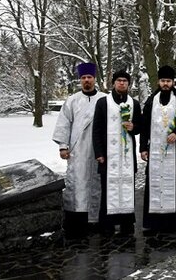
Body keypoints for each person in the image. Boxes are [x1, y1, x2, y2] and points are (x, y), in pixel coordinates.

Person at [52, 62, 106, 238]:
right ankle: (76, 219)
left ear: (94, 79)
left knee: (97, 184)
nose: (87, 81)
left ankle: (96, 219)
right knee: (77, 184)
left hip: (99, 150)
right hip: (78, 151)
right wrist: (63, 147)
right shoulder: (72, 100)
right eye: (83, 78)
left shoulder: (104, 99)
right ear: (80, 80)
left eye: (89, 77)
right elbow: (63, 124)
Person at [139, 65, 176, 233]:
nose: (165, 84)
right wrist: (143, 147)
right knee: (155, 183)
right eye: (163, 81)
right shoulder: (151, 100)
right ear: (158, 82)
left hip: (175, 151)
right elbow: (144, 124)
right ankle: (154, 222)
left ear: (173, 82)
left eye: (168, 81)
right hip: (155, 151)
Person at [93, 69, 143, 235]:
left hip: (127, 156)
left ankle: (127, 223)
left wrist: (133, 127)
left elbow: (140, 127)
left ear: (129, 84)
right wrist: (99, 152)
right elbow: (97, 129)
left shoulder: (134, 103)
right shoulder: (103, 103)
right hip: (108, 156)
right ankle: (107, 224)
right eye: (119, 80)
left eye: (125, 81)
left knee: (127, 188)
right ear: (113, 83)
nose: (122, 83)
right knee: (109, 189)